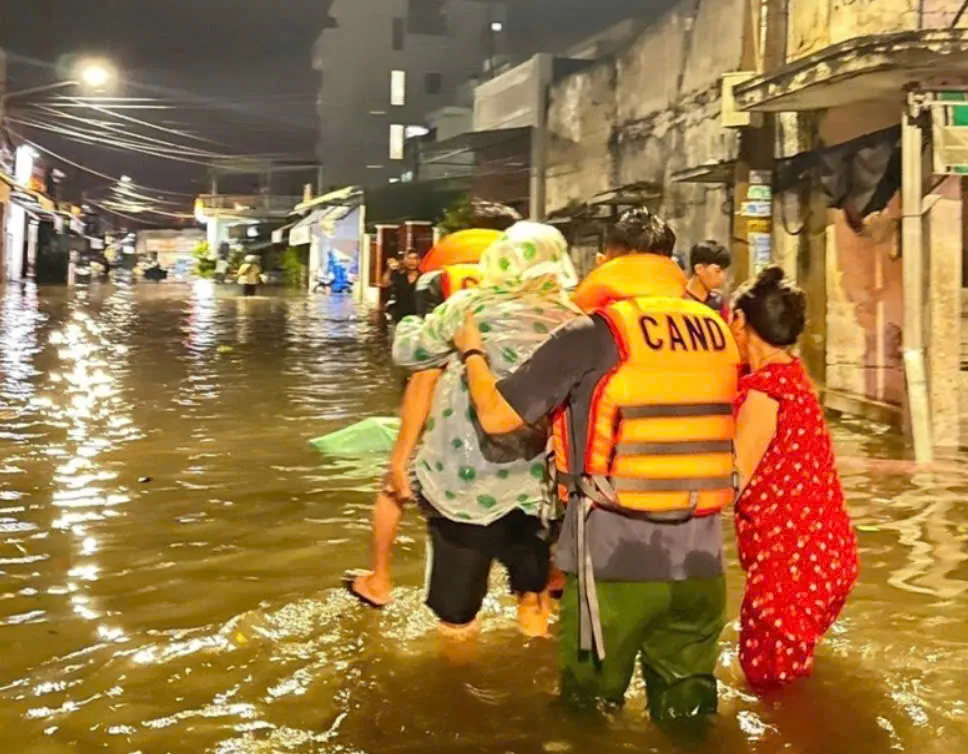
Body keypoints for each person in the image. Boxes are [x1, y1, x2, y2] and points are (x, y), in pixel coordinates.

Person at [453, 208, 740, 720]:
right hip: (704, 560)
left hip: (615, 556)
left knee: (589, 715)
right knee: (690, 716)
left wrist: (473, 352)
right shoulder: (716, 329)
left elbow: (498, 417)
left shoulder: (593, 332)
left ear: (607, 258)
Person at [350, 222, 579, 641]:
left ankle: (456, 692)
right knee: (533, 597)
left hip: (462, 487)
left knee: (457, 618)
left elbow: (409, 353)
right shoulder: (575, 321)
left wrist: (412, 315)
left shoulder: (469, 307)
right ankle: (530, 686)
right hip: (540, 490)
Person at [346, 205, 520, 612]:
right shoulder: (523, 280)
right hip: (517, 411)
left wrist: (401, 453)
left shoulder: (444, 279)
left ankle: (380, 580)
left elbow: (425, 373)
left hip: (454, 410)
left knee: (395, 486)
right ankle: (536, 591)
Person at [730, 267, 859, 689]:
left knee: (771, 688)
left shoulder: (764, 393)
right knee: (790, 678)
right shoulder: (794, 378)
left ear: (740, 322)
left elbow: (734, 477)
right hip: (827, 556)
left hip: (792, 565)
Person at [686, 240, 731, 320]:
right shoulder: (678, 299)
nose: (722, 277)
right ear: (699, 269)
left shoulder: (719, 302)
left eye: (724, 271)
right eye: (717, 271)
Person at [383, 250, 421, 324]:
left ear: (419, 261)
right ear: (404, 260)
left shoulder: (423, 278)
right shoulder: (398, 275)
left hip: (417, 319)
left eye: (415, 258)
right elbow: (385, 283)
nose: (412, 262)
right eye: (409, 259)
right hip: (398, 318)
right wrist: (389, 269)